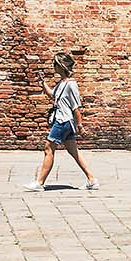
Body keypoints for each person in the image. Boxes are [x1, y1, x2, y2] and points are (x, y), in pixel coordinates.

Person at [26, 51, 98, 192]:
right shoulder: (62, 83)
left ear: (61, 66)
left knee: (48, 148)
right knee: (74, 152)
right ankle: (91, 180)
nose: (53, 66)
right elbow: (53, 96)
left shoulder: (71, 84)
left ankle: (39, 182)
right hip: (65, 122)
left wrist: (80, 126)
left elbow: (76, 107)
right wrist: (42, 83)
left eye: (55, 64)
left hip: (63, 121)